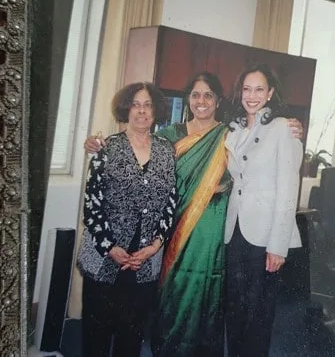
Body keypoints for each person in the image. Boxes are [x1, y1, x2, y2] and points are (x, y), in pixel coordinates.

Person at [83, 72, 304, 356]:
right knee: (169, 295)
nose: (201, 101)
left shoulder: (229, 133)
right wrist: (95, 144)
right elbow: (134, 151)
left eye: (208, 95)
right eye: (196, 95)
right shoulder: (167, 136)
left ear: (218, 100)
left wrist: (293, 126)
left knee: (205, 292)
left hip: (210, 229)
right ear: (188, 99)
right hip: (173, 227)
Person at [76, 82, 177, 357]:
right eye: (135, 104)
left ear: (156, 111)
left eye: (148, 105)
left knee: (131, 335)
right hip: (105, 257)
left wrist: (155, 246)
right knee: (96, 336)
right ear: (126, 109)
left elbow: (170, 202)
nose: (142, 111)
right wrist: (111, 248)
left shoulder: (167, 150)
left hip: (145, 260)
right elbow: (92, 205)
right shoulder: (105, 149)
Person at [224, 63, 304, 357]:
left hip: (265, 235)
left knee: (258, 314)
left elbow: (288, 190)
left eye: (259, 89)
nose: (252, 95)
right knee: (234, 309)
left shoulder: (283, 129)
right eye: (247, 89)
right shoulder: (233, 130)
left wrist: (278, 246)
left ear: (270, 93)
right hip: (234, 231)